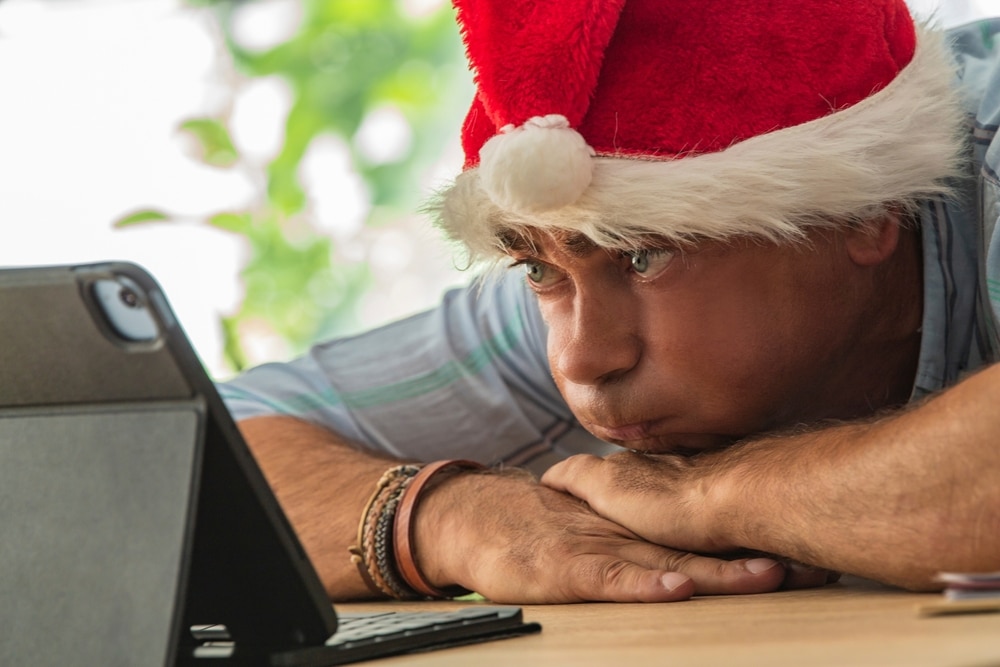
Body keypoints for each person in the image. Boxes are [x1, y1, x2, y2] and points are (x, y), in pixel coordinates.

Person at [219, 0, 1000, 604]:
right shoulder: (585, 290)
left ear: (866, 210)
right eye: (536, 269)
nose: (580, 357)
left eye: (646, 254)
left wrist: (704, 496)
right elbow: (198, 454)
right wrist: (439, 518)